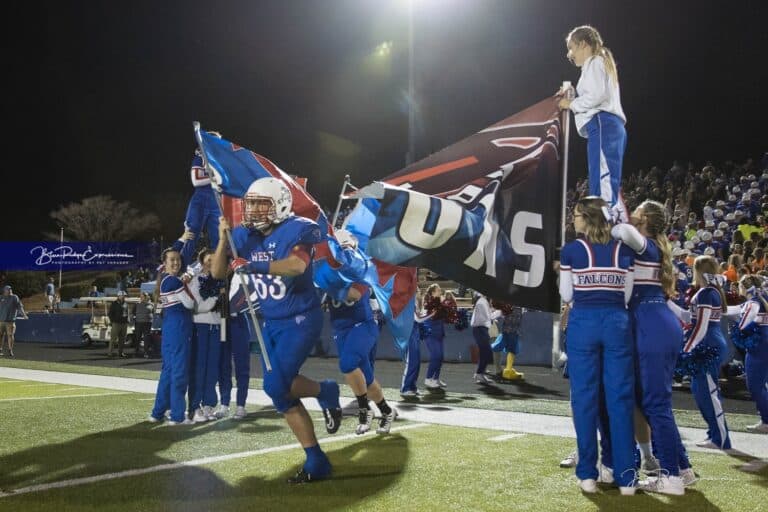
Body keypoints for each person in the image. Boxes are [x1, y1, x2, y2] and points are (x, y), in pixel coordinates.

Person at [211, 176, 341, 484]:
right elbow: (217, 272)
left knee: (273, 386)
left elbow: (296, 266)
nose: (252, 211)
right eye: (251, 204)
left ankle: (327, 391)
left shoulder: (298, 228)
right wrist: (221, 239)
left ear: (280, 205)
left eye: (260, 204)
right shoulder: (244, 235)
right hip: (269, 320)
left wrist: (252, 266)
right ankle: (316, 460)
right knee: (282, 395)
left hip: (300, 318)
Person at [611, 200, 692, 495]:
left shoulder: (644, 243)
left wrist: (613, 210)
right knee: (649, 402)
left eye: (638, 211)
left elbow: (622, 230)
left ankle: (669, 478)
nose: (632, 213)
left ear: (645, 218)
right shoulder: (650, 246)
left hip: (651, 326)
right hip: (655, 323)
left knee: (656, 404)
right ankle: (682, 469)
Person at [558, 196, 637, 495]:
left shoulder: (572, 250)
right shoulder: (623, 249)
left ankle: (588, 475)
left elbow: (567, 294)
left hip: (584, 324)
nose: (573, 220)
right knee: (619, 399)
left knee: (584, 399)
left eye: (577, 215)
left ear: (588, 218)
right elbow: (627, 296)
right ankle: (626, 476)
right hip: (617, 322)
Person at [323, 229, 397, 435]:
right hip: (341, 328)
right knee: (368, 378)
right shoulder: (328, 268)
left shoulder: (362, 267)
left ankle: (364, 410)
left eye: (346, 250)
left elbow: (355, 294)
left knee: (347, 364)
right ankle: (386, 410)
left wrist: (326, 282)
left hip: (362, 324)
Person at [558, 25, 627, 222]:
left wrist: (570, 103)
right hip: (603, 125)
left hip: (603, 123)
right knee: (603, 179)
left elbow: (597, 96)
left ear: (584, 44)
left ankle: (604, 227)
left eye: (572, 47)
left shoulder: (595, 61)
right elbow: (594, 94)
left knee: (602, 181)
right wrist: (571, 95)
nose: (570, 54)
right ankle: (609, 221)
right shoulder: (595, 64)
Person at [668, 255, 732, 449]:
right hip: (704, 343)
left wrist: (687, 349)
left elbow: (701, 326)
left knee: (709, 393)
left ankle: (720, 438)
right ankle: (713, 433)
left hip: (707, 345)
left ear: (699, 271)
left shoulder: (706, 293)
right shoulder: (708, 291)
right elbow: (690, 317)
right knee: (700, 391)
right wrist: (667, 303)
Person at [148, 247, 198, 425]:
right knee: (178, 371)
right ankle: (177, 416)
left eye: (178, 259)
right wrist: (186, 282)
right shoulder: (174, 282)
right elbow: (190, 303)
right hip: (179, 328)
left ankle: (158, 412)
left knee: (168, 371)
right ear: (165, 263)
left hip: (170, 327)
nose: (176, 262)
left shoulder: (163, 281)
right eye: (172, 260)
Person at [187, 249, 226, 422]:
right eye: (208, 260)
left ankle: (209, 404)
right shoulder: (195, 281)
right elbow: (197, 307)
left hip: (216, 327)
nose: (211, 263)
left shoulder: (220, 281)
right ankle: (195, 407)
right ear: (202, 262)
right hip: (200, 326)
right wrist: (215, 299)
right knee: (199, 368)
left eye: (214, 260)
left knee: (212, 369)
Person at [727, 275, 768, 434]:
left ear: (746, 287)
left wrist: (735, 326)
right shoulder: (760, 300)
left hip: (759, 347)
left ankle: (766, 420)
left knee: (755, 385)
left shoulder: (752, 304)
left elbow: (743, 325)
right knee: (762, 384)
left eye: (740, 285)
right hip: (763, 344)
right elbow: (734, 310)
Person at [183, 131, 223, 264]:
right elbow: (196, 181)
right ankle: (181, 267)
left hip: (217, 200)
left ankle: (218, 272)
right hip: (201, 200)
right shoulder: (200, 158)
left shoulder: (220, 161)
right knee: (191, 233)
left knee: (219, 238)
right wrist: (217, 178)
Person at [400, 291, 428, 397]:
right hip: (409, 332)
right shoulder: (408, 301)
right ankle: (405, 388)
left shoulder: (416, 302)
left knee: (416, 362)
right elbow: (418, 319)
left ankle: (412, 386)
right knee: (411, 361)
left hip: (414, 331)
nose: (419, 291)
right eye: (416, 290)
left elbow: (419, 317)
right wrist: (432, 314)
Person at [470, 292, 501, 384]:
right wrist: (500, 311)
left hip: (481, 329)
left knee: (485, 352)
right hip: (480, 329)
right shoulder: (482, 302)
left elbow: (487, 317)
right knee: (486, 352)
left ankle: (479, 373)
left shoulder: (482, 301)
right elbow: (489, 317)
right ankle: (479, 373)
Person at [423, 283, 448, 389]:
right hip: (431, 334)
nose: (440, 291)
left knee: (440, 357)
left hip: (439, 334)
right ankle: (428, 379)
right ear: (433, 292)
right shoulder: (429, 303)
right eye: (438, 290)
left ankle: (435, 379)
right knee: (435, 356)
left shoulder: (440, 303)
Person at [0, 285, 28, 357]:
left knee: (10, 335)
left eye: (10, 289)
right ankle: (0, 349)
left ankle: (10, 350)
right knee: (0, 335)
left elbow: (19, 307)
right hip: (1, 321)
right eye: (8, 290)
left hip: (10, 321)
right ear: (4, 291)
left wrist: (24, 315)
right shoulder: (1, 297)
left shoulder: (14, 297)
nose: (10, 291)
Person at [108, 291, 130, 358]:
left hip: (124, 324)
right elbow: (110, 314)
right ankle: (110, 353)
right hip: (116, 323)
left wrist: (128, 320)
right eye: (122, 296)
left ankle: (120, 352)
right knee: (113, 339)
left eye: (124, 296)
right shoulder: (114, 303)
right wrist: (113, 321)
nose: (124, 297)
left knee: (122, 339)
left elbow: (127, 312)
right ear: (119, 296)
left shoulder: (126, 303)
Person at [133, 292, 154, 358]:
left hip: (147, 323)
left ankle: (146, 352)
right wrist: (134, 319)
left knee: (146, 338)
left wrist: (151, 318)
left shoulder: (151, 305)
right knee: (137, 338)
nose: (141, 298)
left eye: (143, 297)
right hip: (138, 323)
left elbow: (153, 313)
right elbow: (133, 313)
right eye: (141, 297)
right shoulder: (137, 304)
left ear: (146, 297)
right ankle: (136, 351)